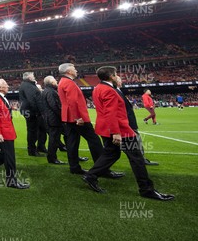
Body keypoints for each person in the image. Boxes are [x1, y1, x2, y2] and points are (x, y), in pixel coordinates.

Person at [82, 66, 174, 201]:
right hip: (119, 130)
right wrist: (116, 133)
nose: (117, 76)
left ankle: (91, 176)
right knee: (136, 158)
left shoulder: (97, 88)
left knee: (111, 154)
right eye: (116, 74)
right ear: (111, 76)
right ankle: (146, 189)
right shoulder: (109, 90)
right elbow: (111, 113)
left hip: (106, 128)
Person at [57, 63, 107, 175]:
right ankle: (102, 168)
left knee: (72, 142)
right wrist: (77, 117)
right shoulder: (69, 83)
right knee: (94, 140)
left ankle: (74, 167)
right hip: (77, 118)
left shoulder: (62, 82)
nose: (76, 70)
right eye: (74, 68)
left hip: (68, 118)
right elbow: (73, 101)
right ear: (68, 71)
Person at [0, 79, 29, 189]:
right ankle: (11, 181)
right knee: (10, 159)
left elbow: (0, 112)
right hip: (3, 133)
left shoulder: (0, 97)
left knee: (5, 155)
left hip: (7, 131)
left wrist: (9, 108)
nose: (8, 86)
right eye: (5, 85)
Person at [115, 76, 158, 166]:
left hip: (128, 122)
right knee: (135, 141)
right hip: (127, 122)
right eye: (119, 79)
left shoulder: (118, 91)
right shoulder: (115, 91)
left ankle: (139, 159)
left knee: (130, 143)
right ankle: (140, 160)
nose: (121, 81)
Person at [18, 72, 47, 156]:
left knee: (37, 130)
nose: (34, 77)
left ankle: (39, 147)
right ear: (29, 78)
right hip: (31, 112)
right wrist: (38, 111)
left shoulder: (27, 85)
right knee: (32, 131)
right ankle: (32, 151)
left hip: (30, 111)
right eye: (33, 76)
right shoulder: (28, 86)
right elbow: (33, 100)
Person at [42, 76, 67, 165]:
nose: (56, 82)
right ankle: (52, 158)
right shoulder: (51, 92)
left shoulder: (46, 91)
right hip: (54, 120)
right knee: (54, 140)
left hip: (50, 119)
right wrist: (62, 116)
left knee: (54, 139)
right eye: (55, 80)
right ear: (51, 82)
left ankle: (52, 158)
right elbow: (54, 106)